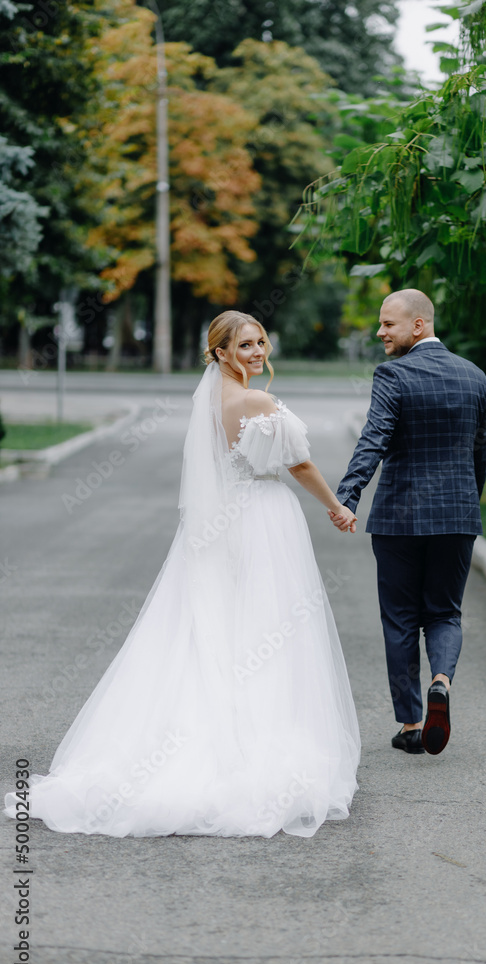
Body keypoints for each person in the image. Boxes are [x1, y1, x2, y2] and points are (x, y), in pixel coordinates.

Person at [5, 311, 360, 838]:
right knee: (267, 626)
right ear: (219, 352)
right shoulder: (257, 401)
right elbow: (299, 464)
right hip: (263, 520)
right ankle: (256, 740)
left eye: (261, 342)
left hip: (223, 523)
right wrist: (337, 507)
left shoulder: (211, 398)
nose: (258, 352)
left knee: (214, 628)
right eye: (244, 346)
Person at [331, 289, 486, 756]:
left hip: (400, 518)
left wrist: (347, 495)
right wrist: (467, 504)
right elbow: (479, 451)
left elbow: (374, 439)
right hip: (458, 516)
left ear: (418, 324)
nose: (380, 332)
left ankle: (411, 724)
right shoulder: (475, 376)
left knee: (400, 619)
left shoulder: (393, 374)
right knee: (444, 613)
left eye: (388, 324)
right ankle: (441, 681)